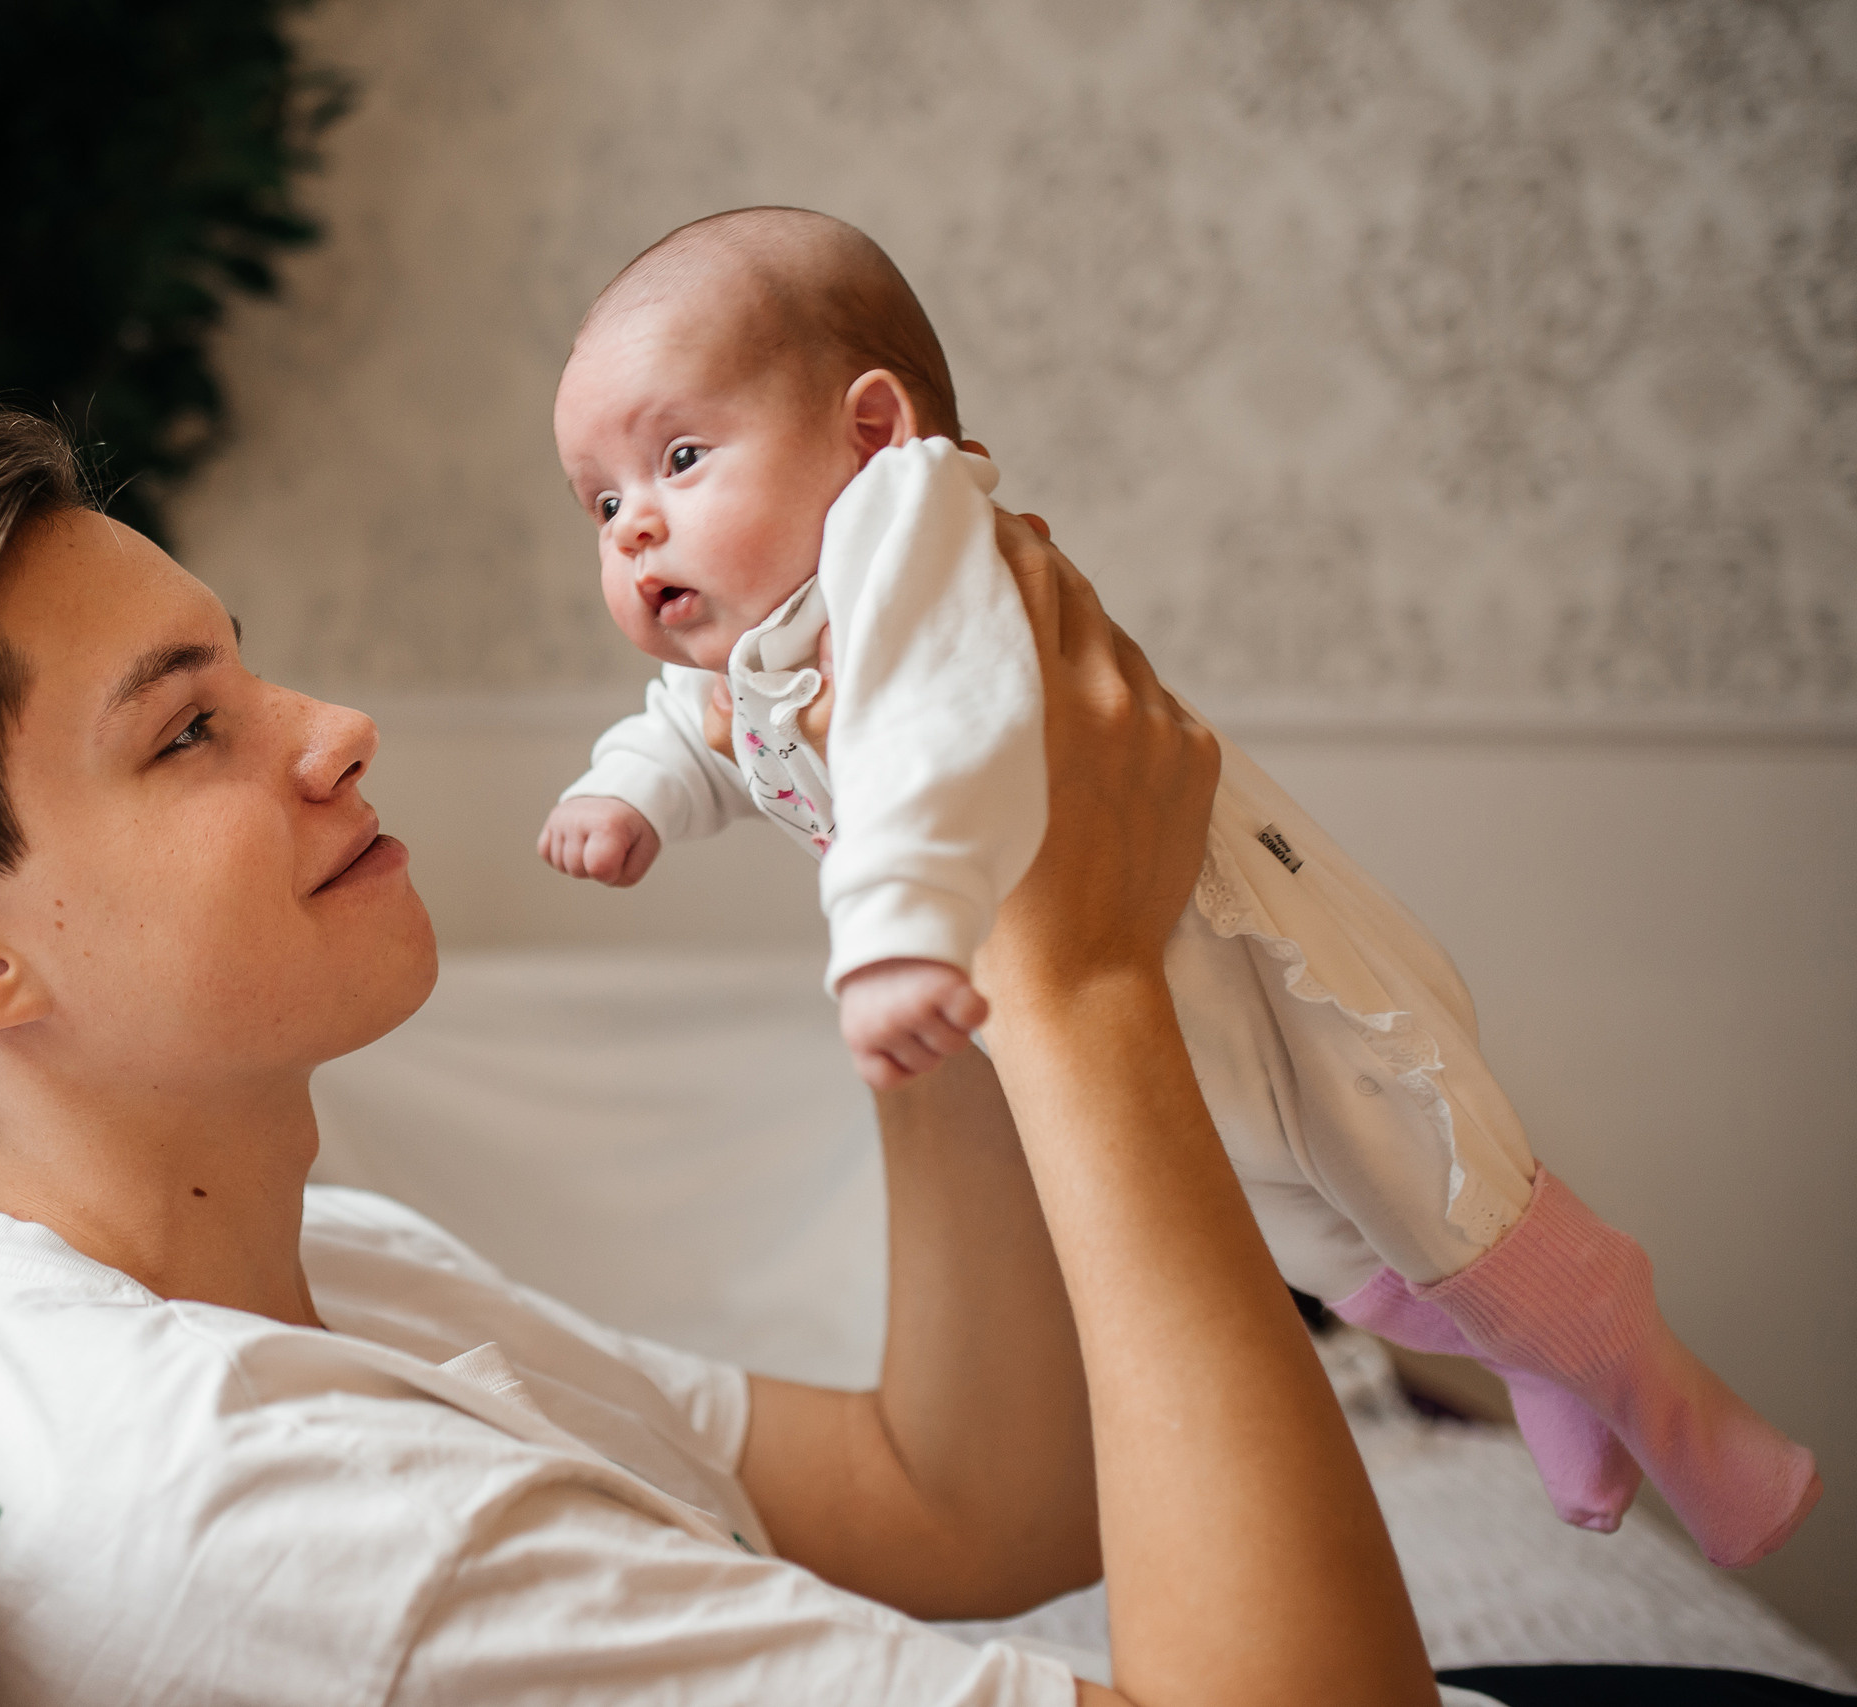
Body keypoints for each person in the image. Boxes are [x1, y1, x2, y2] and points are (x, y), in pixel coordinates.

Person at [0, 410, 1831, 1707]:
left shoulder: (292, 1273)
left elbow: (972, 1506)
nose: (326, 725)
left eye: (244, 666)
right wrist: (1085, 993)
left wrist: (921, 891)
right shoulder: (280, 1531)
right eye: (187, 727)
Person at [538, 207, 1818, 1568]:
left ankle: (1649, 1376)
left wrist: (896, 935)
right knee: (1303, 1235)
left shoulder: (909, 529)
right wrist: (630, 796)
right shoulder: (760, 642)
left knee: (1411, 1167)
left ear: (867, 431)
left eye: (679, 456)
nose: (636, 527)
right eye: (604, 501)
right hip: (1113, 963)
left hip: (1232, 936)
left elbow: (937, 732)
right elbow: (691, 728)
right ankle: (1543, 1365)